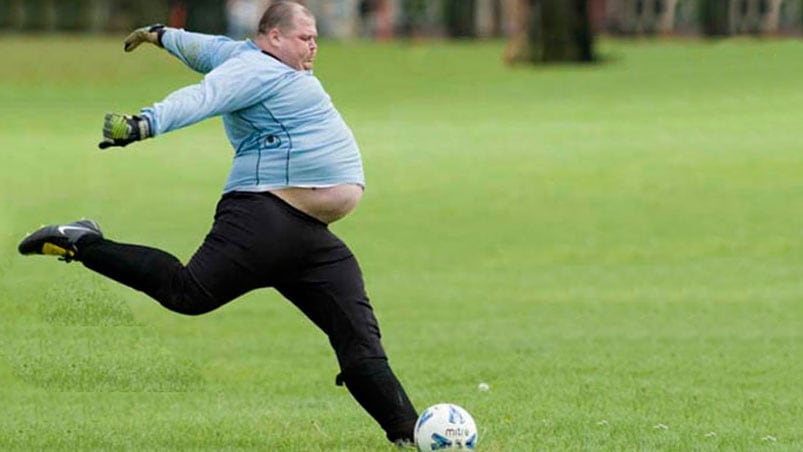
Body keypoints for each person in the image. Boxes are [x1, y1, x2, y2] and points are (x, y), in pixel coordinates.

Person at [18, 1, 418, 445]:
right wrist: (144, 124)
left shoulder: (248, 58)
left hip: (309, 237)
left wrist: (162, 35)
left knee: (358, 338)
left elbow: (207, 48)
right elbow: (203, 97)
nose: (314, 46)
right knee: (188, 293)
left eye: (316, 38)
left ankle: (408, 434)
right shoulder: (256, 70)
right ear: (274, 37)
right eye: (306, 38)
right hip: (263, 217)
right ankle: (81, 242)